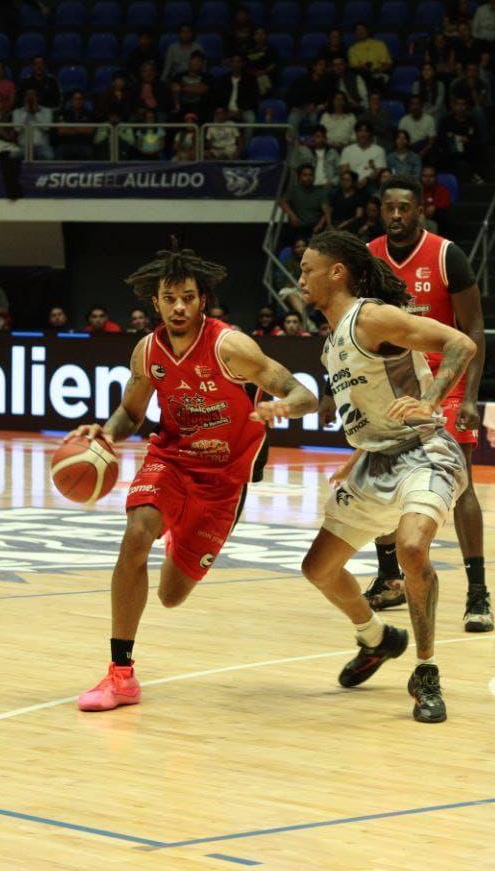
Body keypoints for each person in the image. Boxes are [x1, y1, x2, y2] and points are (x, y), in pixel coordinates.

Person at [70, 250, 318, 711]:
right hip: (171, 459)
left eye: (188, 297)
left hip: (225, 478)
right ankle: (120, 675)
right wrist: (105, 433)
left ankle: (178, 532)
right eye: (170, 298)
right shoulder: (148, 351)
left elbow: (303, 393)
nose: (179, 307)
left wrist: (285, 406)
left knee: (171, 595)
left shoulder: (231, 347)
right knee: (136, 533)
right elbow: (131, 413)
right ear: (156, 303)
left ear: (203, 300)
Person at [296, 231, 476, 722]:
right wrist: (356, 455)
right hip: (374, 462)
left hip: (424, 452)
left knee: (412, 548)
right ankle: (376, 638)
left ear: (337, 272)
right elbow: (372, 407)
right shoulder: (331, 344)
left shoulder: (370, 317)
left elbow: (460, 343)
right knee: (318, 569)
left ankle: (425, 670)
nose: (301, 278)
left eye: (308, 269)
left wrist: (431, 400)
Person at [361, 177, 491, 630]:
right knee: (380, 481)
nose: (396, 215)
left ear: (421, 210)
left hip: (444, 383)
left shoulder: (447, 255)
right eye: (389, 208)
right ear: (381, 210)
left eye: (405, 208)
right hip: (392, 384)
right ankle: (389, 579)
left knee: (461, 485)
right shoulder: (368, 256)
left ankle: (478, 594)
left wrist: (470, 396)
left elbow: (474, 329)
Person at [12, 88, 53, 160]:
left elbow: (46, 128)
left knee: (48, 156)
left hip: (42, 145)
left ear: (37, 98)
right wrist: (26, 112)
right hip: (24, 145)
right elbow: (17, 129)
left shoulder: (47, 111)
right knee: (13, 156)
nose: (30, 98)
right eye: (28, 96)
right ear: (24, 98)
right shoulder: (17, 112)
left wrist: (36, 112)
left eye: (33, 95)